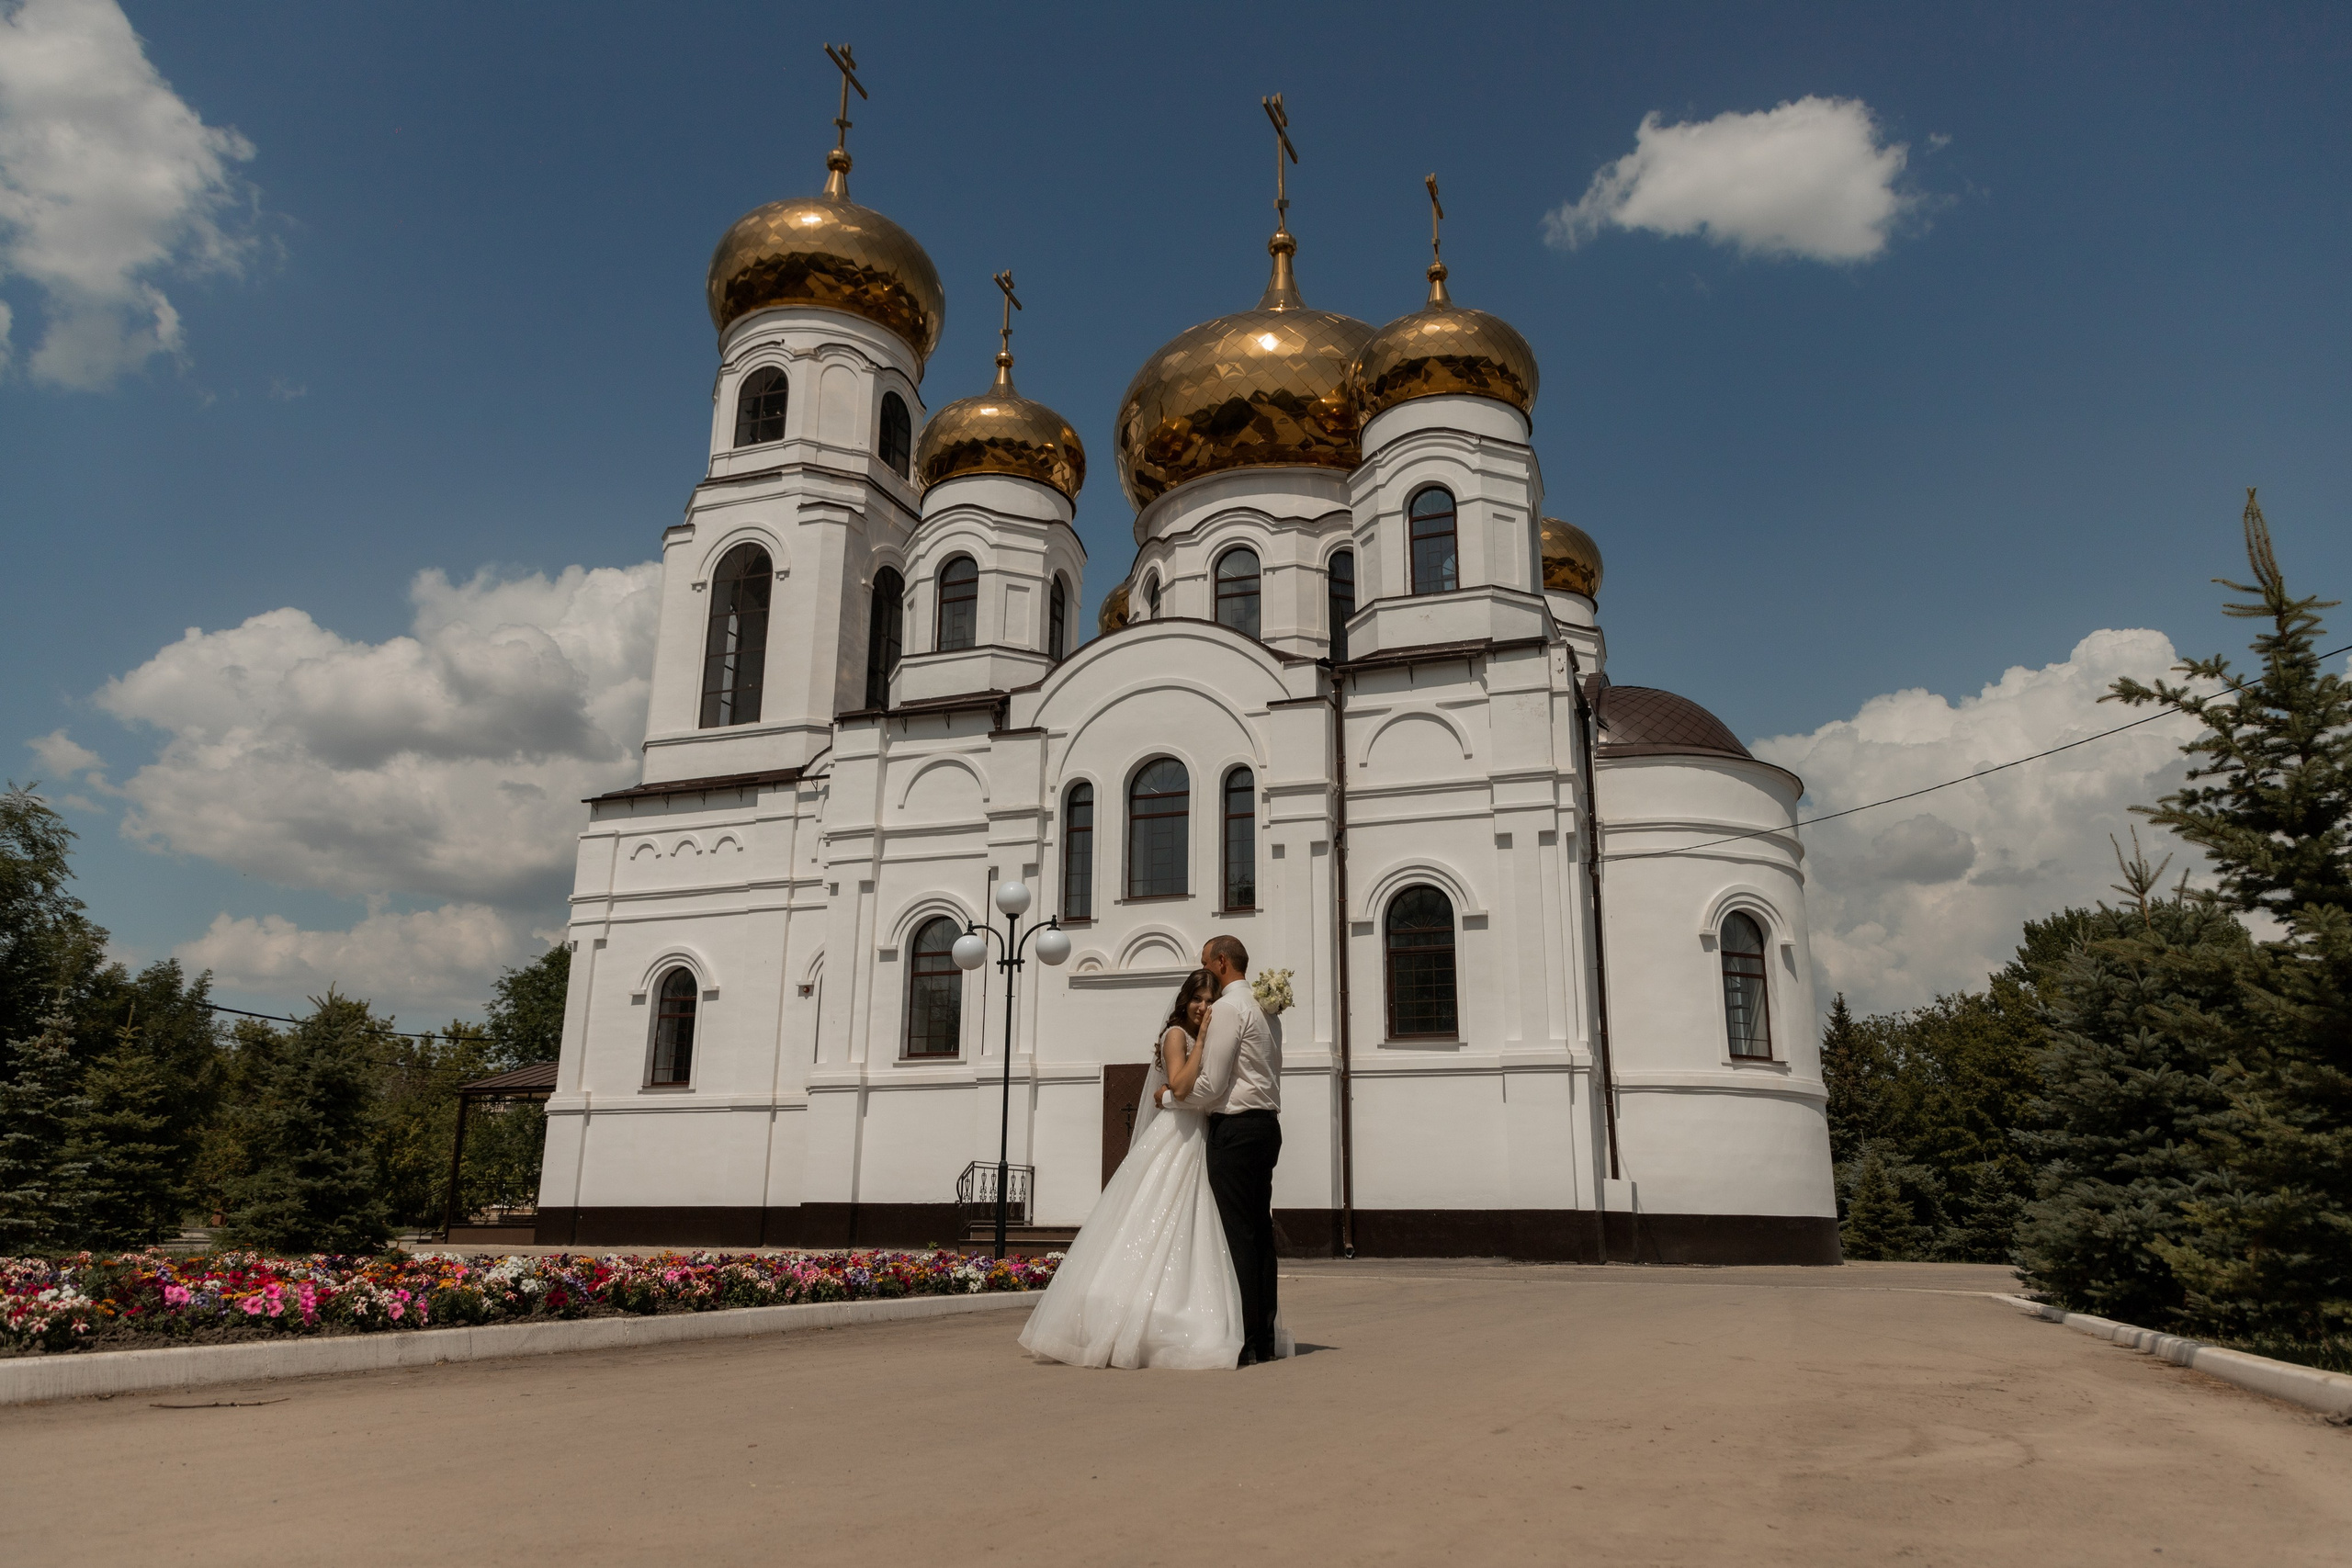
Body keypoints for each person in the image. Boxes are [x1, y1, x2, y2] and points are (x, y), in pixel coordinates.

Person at [1017, 964, 1290, 1369]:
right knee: (1158, 1216)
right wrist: (1182, 1075)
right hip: (1179, 1134)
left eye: (1210, 1000)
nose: (1203, 1007)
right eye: (1197, 999)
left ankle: (1226, 1318)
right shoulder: (1177, 1036)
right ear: (1184, 1002)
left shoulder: (1209, 1033)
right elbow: (1181, 1085)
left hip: (1204, 1132)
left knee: (1206, 1227)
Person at [1160, 933, 1284, 1364]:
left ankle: (1247, 1342)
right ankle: (1263, 1338)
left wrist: (1168, 1099)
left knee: (1239, 1238)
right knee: (1261, 1238)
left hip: (1235, 1130)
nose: (1205, 971)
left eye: (1207, 963)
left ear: (1222, 963)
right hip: (1267, 1127)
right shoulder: (1268, 1010)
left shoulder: (1230, 1009)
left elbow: (1211, 1087)